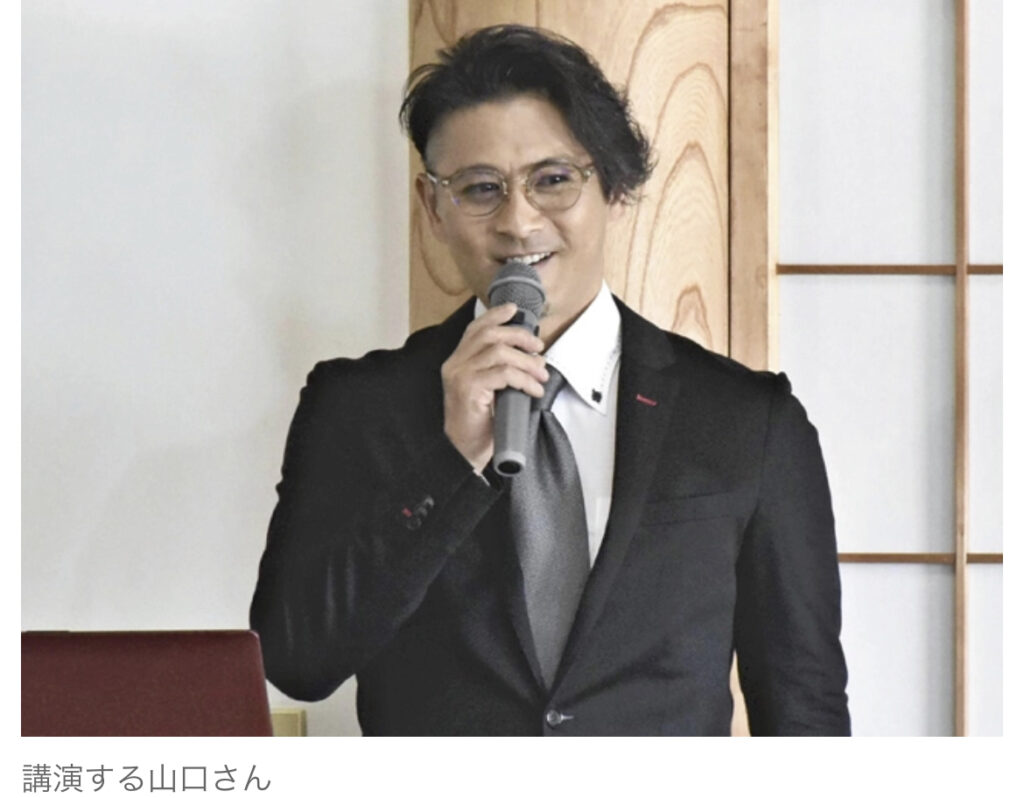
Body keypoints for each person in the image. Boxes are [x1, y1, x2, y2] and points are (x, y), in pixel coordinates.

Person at [250, 24, 850, 736]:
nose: (519, 221)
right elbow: (296, 660)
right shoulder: (355, 406)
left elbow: (804, 707)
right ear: (433, 207)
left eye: (553, 180)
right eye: (481, 189)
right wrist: (449, 462)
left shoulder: (750, 419)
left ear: (613, 185)